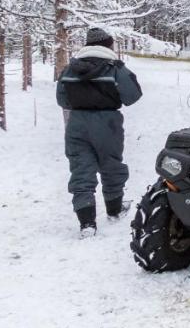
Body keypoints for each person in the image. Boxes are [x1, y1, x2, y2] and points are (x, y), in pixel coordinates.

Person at [55, 27, 143, 238]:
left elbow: (62, 100)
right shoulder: (114, 68)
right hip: (107, 122)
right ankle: (114, 209)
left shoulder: (70, 69)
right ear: (108, 45)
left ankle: (87, 223)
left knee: (80, 169)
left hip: (76, 123)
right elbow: (133, 96)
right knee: (111, 164)